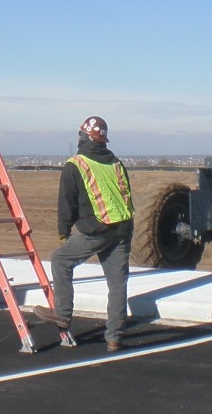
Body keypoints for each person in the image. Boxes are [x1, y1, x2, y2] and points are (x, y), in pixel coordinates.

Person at [32, 116, 135, 352]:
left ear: (84, 137)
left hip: (96, 230)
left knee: (60, 260)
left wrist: (63, 232)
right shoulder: (116, 162)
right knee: (118, 284)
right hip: (123, 228)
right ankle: (114, 338)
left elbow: (67, 203)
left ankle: (63, 314)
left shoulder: (76, 164)